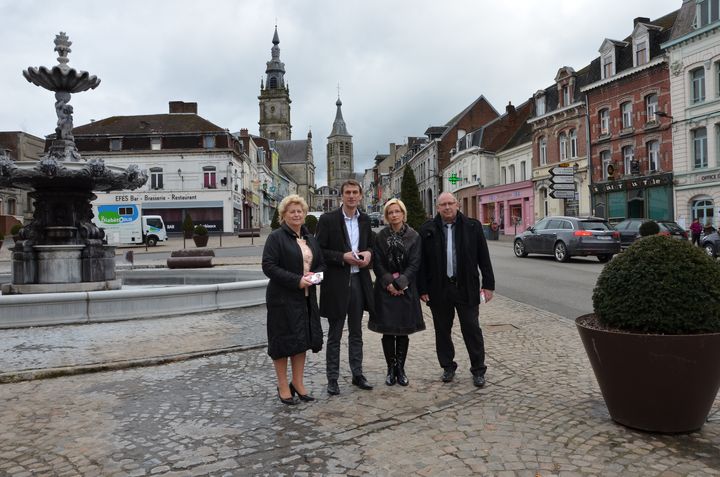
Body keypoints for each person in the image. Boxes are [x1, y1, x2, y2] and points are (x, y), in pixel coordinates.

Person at [418, 192, 495, 388]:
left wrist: (488, 285)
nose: (447, 207)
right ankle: (448, 367)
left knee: (472, 329)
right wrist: (422, 288)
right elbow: (422, 263)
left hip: (466, 287)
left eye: (450, 203)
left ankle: (478, 370)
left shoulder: (472, 226)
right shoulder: (427, 229)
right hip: (439, 289)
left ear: (457, 204)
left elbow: (483, 258)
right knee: (442, 331)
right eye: (443, 204)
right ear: (437, 208)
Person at [262, 194, 325, 405]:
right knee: (282, 342)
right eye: (292, 211)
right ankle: (282, 385)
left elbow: (321, 265)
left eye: (300, 211)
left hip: (306, 299)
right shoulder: (276, 237)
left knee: (301, 342)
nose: (297, 215)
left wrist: (314, 277)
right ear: (284, 215)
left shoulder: (310, 238)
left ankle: (297, 383)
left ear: (305, 214)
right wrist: (296, 280)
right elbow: (269, 266)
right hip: (282, 298)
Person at [316, 179, 375, 395]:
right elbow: (319, 251)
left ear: (360, 195)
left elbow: (370, 247)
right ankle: (332, 378)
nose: (351, 196)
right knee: (335, 334)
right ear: (342, 196)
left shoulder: (366, 220)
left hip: (359, 282)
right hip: (337, 284)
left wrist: (369, 253)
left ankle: (357, 374)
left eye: (355, 192)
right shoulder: (328, 220)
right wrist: (342, 257)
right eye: (347, 192)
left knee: (357, 332)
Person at [369, 199, 425, 387]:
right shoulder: (381, 236)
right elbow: (377, 263)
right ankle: (390, 368)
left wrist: (400, 284)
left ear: (403, 213)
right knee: (387, 332)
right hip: (385, 291)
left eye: (397, 211)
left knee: (402, 332)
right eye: (390, 212)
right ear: (386, 215)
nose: (394, 215)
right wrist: (389, 284)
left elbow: (415, 264)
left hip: (406, 289)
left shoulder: (414, 236)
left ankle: (400, 368)